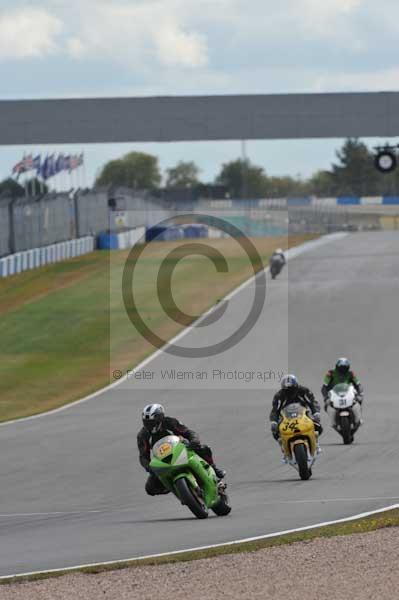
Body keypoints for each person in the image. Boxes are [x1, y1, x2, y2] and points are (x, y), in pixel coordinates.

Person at [137, 404, 226, 496]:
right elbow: (143, 456)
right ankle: (174, 487)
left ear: (160, 418)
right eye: (146, 422)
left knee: (204, 449)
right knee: (150, 488)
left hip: (181, 449)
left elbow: (188, 432)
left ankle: (214, 469)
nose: (149, 425)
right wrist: (149, 467)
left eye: (151, 422)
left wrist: (194, 440)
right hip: (163, 459)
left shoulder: (170, 422)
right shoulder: (143, 435)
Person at [269, 374, 322, 440]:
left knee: (317, 426)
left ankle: (316, 442)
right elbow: (275, 410)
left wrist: (316, 412)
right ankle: (282, 444)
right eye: (287, 390)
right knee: (275, 432)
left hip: (303, 415)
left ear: (296, 386)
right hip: (286, 419)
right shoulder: (279, 396)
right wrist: (274, 422)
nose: (290, 392)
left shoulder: (303, 391)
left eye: (292, 389)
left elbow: (312, 402)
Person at [321, 358, 364, 428]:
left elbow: (358, 384)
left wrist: (360, 394)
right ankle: (333, 422)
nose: (343, 370)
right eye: (341, 368)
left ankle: (358, 419)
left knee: (358, 401)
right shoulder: (330, 373)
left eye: (345, 368)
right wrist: (326, 398)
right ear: (337, 367)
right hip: (334, 395)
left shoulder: (351, 374)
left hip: (348, 393)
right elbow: (324, 387)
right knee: (327, 406)